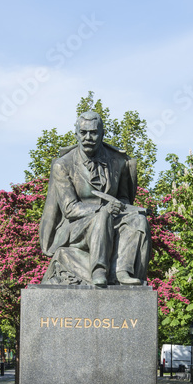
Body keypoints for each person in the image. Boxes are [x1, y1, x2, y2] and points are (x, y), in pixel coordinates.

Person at [39, 111, 151, 286]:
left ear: (102, 133)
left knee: (138, 221)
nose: (88, 137)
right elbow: (70, 208)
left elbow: (123, 196)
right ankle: (98, 270)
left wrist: (125, 208)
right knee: (102, 215)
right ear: (76, 134)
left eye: (93, 132)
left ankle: (122, 270)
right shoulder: (63, 164)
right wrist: (102, 210)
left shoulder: (118, 162)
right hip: (76, 227)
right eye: (83, 133)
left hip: (112, 220)